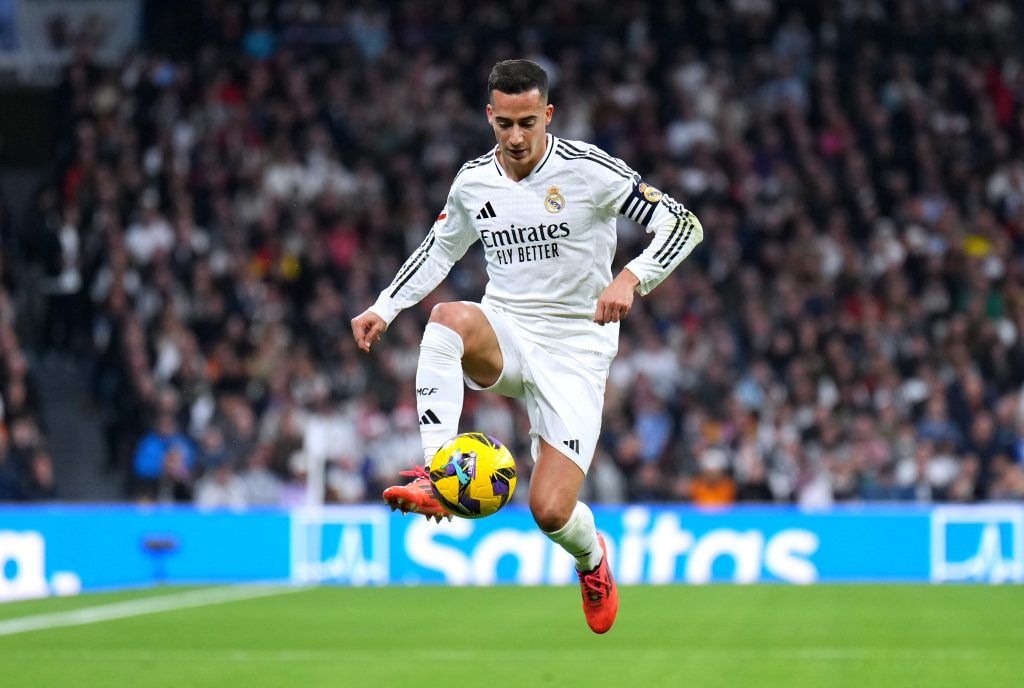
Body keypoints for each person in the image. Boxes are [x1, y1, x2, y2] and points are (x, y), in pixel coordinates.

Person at [350, 59, 703, 634]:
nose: (516, 137)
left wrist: (631, 276)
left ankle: (592, 562)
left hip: (577, 348)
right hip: (507, 328)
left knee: (551, 512)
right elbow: (439, 250)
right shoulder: (473, 182)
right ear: (490, 116)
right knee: (447, 318)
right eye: (505, 123)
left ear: (548, 116)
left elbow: (683, 224)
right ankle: (439, 477)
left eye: (528, 123)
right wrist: (384, 306)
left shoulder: (590, 171)